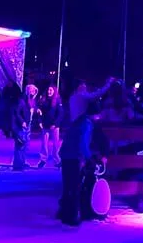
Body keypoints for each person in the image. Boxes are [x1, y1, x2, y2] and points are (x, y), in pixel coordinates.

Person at [58, 99, 103, 227]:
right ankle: (72, 215)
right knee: (75, 186)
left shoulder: (78, 121)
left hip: (66, 155)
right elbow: (83, 143)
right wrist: (88, 157)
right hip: (74, 157)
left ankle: (63, 212)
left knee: (67, 185)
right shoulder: (87, 124)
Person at [37, 84, 63, 168]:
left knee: (55, 143)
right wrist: (40, 121)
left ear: (54, 91)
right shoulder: (44, 100)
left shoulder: (57, 101)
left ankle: (57, 159)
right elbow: (40, 112)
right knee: (44, 143)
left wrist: (55, 124)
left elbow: (60, 114)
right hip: (45, 125)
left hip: (55, 126)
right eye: (48, 90)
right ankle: (43, 159)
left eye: (51, 90)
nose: (49, 92)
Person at [12, 85, 32, 171]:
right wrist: (22, 121)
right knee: (20, 144)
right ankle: (18, 165)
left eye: (34, 91)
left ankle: (22, 163)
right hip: (21, 125)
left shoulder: (30, 100)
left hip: (27, 125)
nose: (33, 92)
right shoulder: (22, 100)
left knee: (25, 145)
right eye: (31, 91)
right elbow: (17, 112)